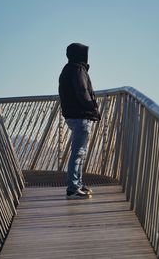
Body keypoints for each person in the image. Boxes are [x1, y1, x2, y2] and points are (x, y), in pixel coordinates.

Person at [59, 43, 100, 199]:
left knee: (80, 153)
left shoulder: (67, 69)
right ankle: (73, 188)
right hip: (80, 115)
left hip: (72, 115)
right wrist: (92, 107)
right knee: (78, 153)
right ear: (80, 55)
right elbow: (82, 91)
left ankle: (78, 184)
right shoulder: (78, 69)